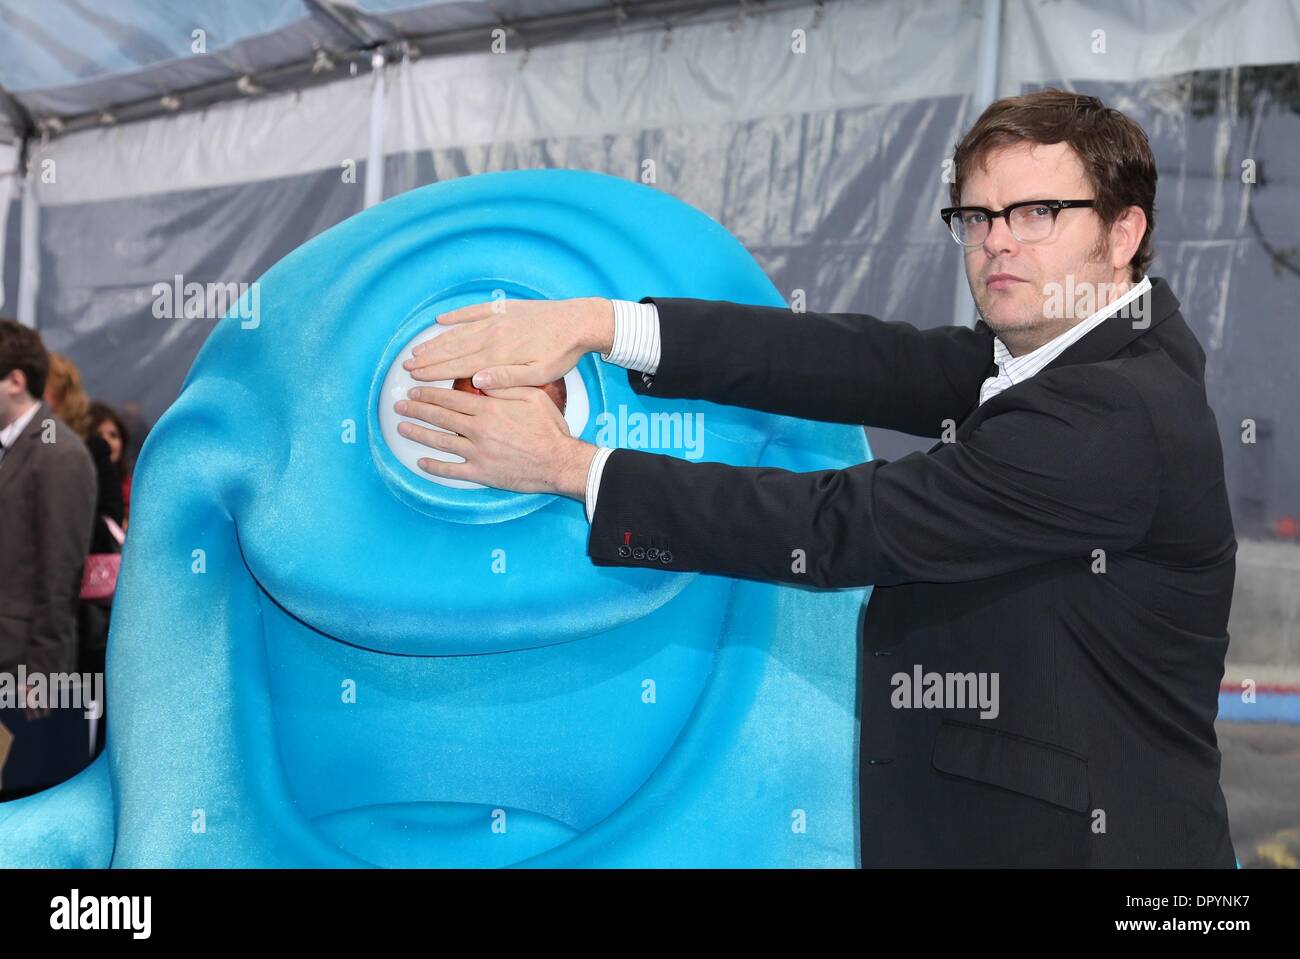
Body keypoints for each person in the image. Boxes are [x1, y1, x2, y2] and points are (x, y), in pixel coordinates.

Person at [393, 90, 1237, 868]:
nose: (997, 241)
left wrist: (566, 467)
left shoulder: (1111, 415)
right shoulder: (1069, 348)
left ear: (1123, 234)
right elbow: (849, 360)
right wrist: (604, 324)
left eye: (1037, 212)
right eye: (976, 216)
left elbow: (838, 527)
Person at [0, 320, 97, 796]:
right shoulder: (12, 447)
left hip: (22, 672)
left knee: (18, 808)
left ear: (15, 381)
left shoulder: (59, 453)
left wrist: (40, 675)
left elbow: (60, 575)